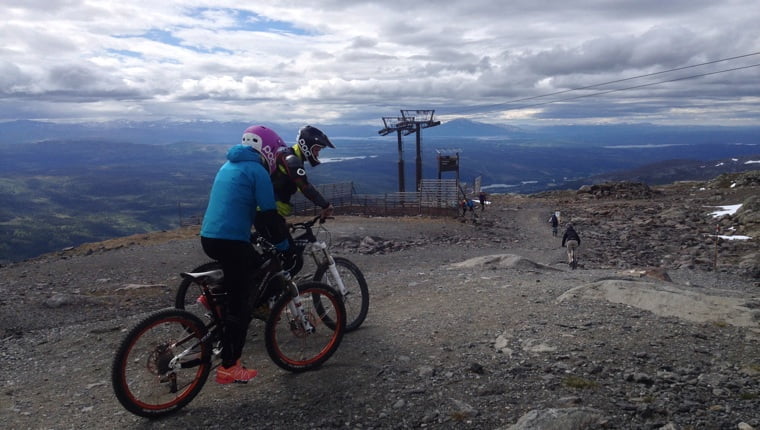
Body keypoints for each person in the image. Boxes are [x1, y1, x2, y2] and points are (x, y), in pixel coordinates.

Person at [199, 125, 292, 384]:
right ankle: (230, 366)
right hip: (230, 241)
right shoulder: (258, 171)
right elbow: (268, 215)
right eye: (274, 151)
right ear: (266, 150)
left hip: (210, 237)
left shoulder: (228, 165)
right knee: (242, 305)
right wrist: (284, 244)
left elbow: (235, 205)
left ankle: (213, 298)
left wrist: (251, 233)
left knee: (249, 265)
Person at [267, 125, 335, 219]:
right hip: (269, 209)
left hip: (270, 208)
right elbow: (304, 187)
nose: (317, 154)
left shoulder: (291, 155)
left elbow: (300, 185)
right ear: (307, 146)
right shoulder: (292, 160)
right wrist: (325, 205)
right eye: (316, 150)